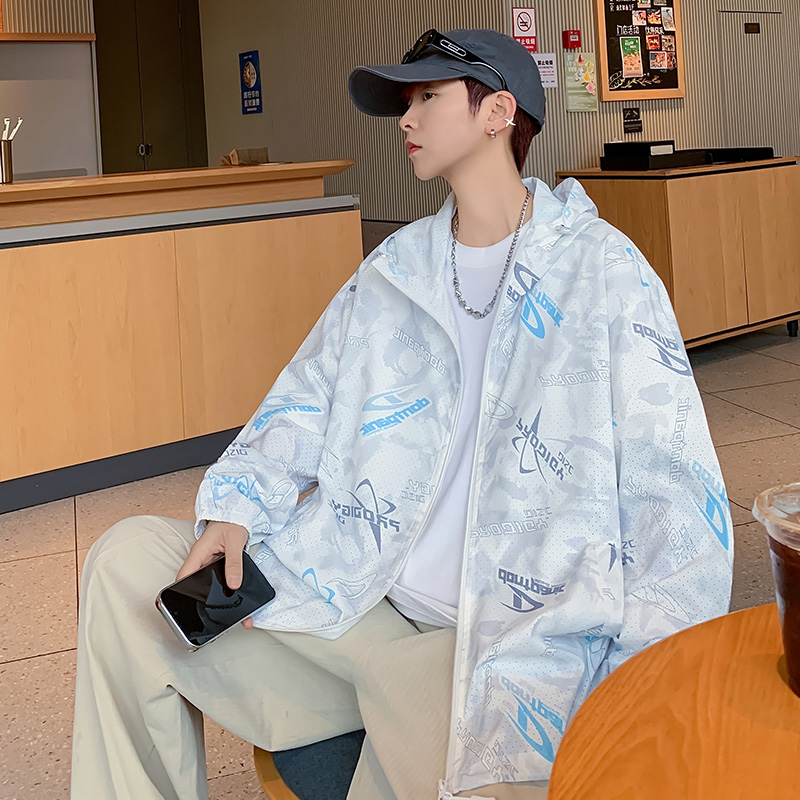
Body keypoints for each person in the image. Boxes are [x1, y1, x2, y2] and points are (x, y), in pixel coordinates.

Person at [71, 28, 734, 800]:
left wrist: (645, 681)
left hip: (479, 647)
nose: (406, 119)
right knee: (124, 565)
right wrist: (236, 507)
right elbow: (304, 400)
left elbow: (676, 500)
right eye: (405, 102)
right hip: (343, 597)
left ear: (498, 112)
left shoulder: (605, 271)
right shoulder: (395, 268)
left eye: (427, 97)